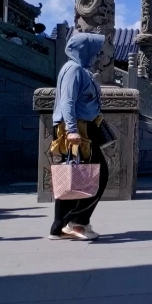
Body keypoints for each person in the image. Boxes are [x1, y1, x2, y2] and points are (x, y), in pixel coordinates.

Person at [48, 33, 109, 241]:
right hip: (79, 129)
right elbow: (67, 102)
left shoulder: (80, 69)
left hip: (84, 127)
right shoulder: (73, 69)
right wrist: (72, 130)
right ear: (84, 49)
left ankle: (60, 226)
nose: (97, 53)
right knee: (95, 175)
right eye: (94, 48)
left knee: (75, 174)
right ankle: (77, 222)